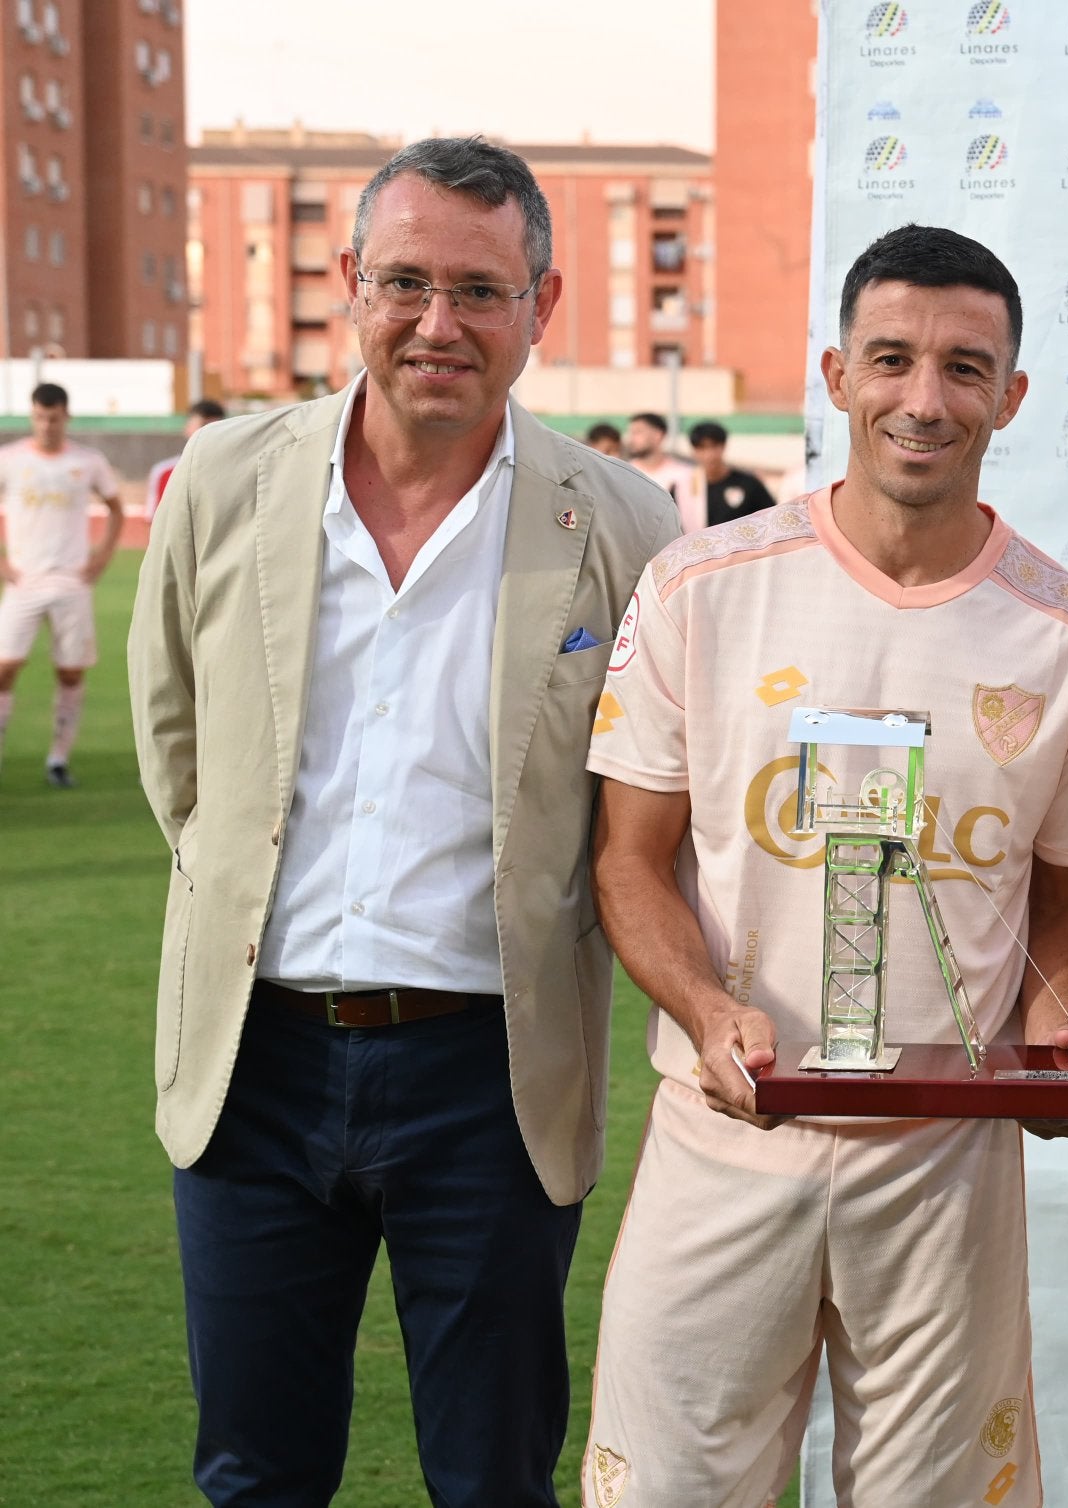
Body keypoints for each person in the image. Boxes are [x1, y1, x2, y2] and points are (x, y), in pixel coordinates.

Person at [127, 136, 678, 1506]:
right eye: (408, 283)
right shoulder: (222, 482)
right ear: (347, 283)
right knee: (256, 1474)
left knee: (492, 1478)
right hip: (255, 1064)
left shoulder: (624, 524)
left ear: (542, 306)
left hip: (488, 1080)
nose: (440, 324)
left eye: (483, 291)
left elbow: (639, 814)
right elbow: (173, 745)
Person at [579, 223, 1068, 1508]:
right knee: (663, 1487)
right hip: (727, 1130)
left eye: (963, 367)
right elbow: (627, 864)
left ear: (1012, 393)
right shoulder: (698, 587)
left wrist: (1061, 1044)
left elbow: (1063, 901)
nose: (923, 399)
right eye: (891, 359)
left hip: (944, 1159)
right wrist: (710, 1011)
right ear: (835, 375)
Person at [0, 381, 124, 787]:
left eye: (53, 418)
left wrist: (101, 557)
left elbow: (116, 507)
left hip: (71, 582)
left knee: (70, 672)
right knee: (5, 667)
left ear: (65, 417)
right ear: (32, 415)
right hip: (24, 582)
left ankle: (58, 758)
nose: (46, 425)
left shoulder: (87, 461)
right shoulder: (11, 459)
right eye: (39, 417)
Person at [687, 418, 776, 525]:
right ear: (694, 450)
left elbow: (772, 518)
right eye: (702, 448)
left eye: (714, 446)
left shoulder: (748, 484)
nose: (709, 455)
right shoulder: (683, 488)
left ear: (724, 446)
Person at [623, 409, 699, 534]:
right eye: (631, 433)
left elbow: (693, 524)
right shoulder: (624, 473)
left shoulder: (685, 474)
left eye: (638, 432)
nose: (631, 439)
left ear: (658, 435)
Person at [147, 398, 228, 509]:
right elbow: (154, 520)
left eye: (216, 427)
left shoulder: (231, 471)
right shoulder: (164, 472)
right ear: (187, 428)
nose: (209, 433)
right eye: (203, 426)